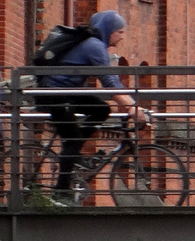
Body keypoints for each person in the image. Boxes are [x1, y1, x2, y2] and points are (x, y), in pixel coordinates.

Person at [41, 10, 143, 199]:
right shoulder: (94, 46)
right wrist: (131, 107)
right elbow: (109, 82)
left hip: (68, 93)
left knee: (101, 109)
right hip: (54, 94)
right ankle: (61, 193)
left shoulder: (96, 46)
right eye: (119, 31)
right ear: (109, 30)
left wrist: (131, 104)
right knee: (71, 141)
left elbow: (113, 80)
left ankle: (76, 152)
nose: (122, 36)